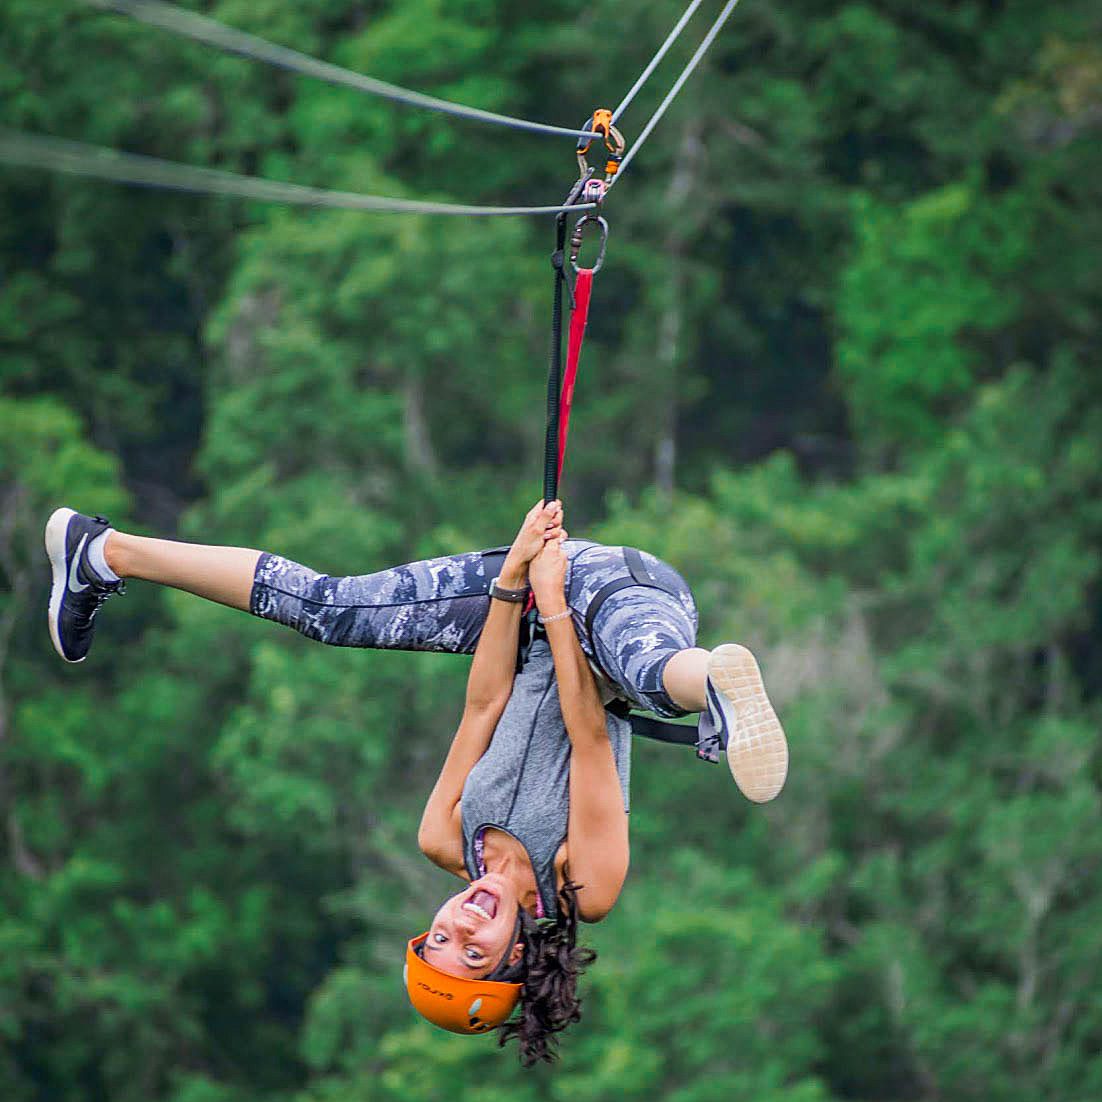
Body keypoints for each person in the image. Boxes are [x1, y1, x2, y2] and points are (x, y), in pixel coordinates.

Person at [44, 501, 788, 1063]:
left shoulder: (444, 835)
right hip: (607, 606)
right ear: (519, 954)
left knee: (332, 611)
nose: (460, 924)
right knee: (643, 672)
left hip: (527, 608)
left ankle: (104, 553)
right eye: (472, 950)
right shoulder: (585, 884)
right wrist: (555, 598)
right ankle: (713, 686)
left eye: (440, 936)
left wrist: (512, 579)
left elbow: (485, 701)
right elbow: (590, 732)